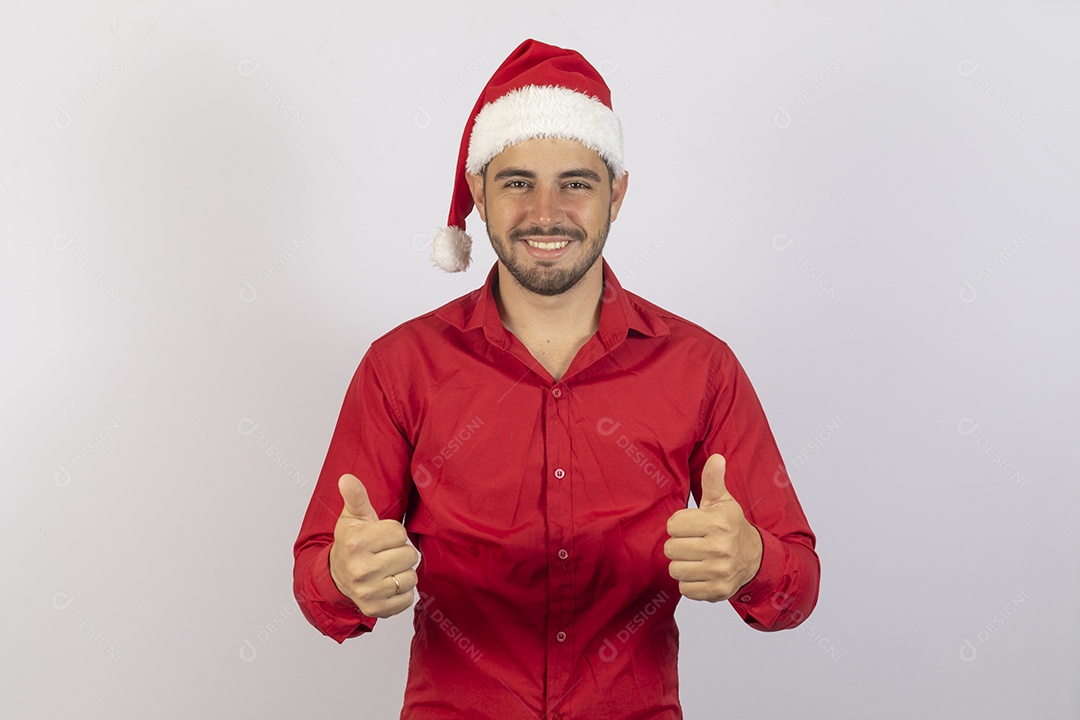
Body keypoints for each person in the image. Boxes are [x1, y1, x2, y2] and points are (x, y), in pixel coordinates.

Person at [293, 38, 819, 719]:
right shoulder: (400, 366)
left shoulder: (702, 367)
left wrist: (752, 562)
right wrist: (343, 574)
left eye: (576, 182)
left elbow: (798, 583)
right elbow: (316, 583)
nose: (547, 212)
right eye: (517, 183)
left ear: (617, 194)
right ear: (479, 193)